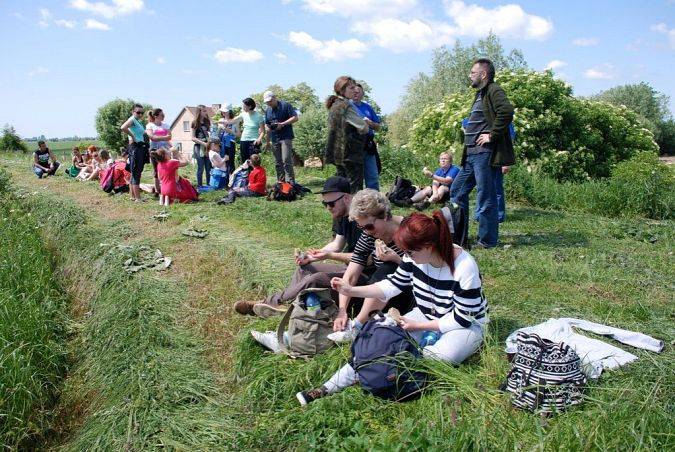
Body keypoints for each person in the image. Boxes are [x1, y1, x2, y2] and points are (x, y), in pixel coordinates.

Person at [296, 210, 488, 405]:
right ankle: (327, 387)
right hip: (426, 314)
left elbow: (463, 318)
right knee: (381, 338)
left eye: (410, 252)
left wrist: (418, 327)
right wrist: (352, 289)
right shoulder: (414, 256)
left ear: (429, 246)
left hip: (465, 326)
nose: (407, 257)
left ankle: (382, 376)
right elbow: (391, 285)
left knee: (435, 358)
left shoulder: (464, 267)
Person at [234, 176, 365, 318]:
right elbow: (337, 244)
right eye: (324, 204)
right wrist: (310, 257)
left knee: (315, 279)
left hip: (364, 277)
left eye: (331, 204)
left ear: (346, 198)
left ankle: (272, 303)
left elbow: (366, 259)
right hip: (350, 268)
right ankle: (285, 304)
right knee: (304, 268)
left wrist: (329, 256)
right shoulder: (343, 215)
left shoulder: (363, 220)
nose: (328, 208)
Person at [331, 189, 414, 341]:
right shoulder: (370, 234)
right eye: (361, 227)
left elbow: (423, 272)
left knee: (388, 268)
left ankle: (357, 326)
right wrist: (342, 310)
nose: (367, 232)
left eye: (369, 226)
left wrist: (397, 259)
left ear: (385, 215)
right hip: (381, 295)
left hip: (409, 292)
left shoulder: (409, 230)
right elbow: (352, 273)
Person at [450, 58, 514, 248]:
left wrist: (492, 135)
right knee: (457, 191)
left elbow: (506, 111)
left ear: (483, 74)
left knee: (486, 196)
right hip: (471, 155)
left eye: (472, 72)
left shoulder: (494, 89)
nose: (470, 75)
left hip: (484, 154)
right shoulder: (480, 93)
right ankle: (459, 238)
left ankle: (487, 241)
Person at [263, 91, 298, 184]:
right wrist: (267, 128)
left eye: (270, 101)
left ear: (275, 98)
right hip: (274, 138)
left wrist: (282, 124)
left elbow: (295, 117)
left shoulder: (285, 105)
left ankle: (291, 182)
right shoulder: (268, 110)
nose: (268, 103)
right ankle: (281, 182)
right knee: (278, 162)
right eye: (267, 102)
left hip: (286, 136)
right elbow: (266, 123)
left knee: (286, 159)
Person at [351, 83, 382, 191]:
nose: (356, 94)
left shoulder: (367, 107)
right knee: (355, 177)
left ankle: (375, 202)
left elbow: (378, 126)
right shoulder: (346, 107)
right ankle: (354, 202)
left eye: (358, 92)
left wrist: (369, 123)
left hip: (368, 145)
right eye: (353, 92)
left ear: (362, 94)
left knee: (372, 176)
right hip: (353, 145)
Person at [220, 98, 265, 164]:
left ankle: (254, 174)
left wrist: (259, 139)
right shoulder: (243, 114)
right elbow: (231, 121)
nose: (243, 107)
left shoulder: (259, 116)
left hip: (254, 141)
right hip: (244, 140)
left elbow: (263, 131)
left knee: (254, 162)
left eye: (244, 106)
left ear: (250, 106)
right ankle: (246, 174)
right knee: (245, 161)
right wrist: (220, 122)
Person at [120, 103, 149, 202]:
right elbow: (123, 127)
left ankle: (132, 196)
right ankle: (138, 198)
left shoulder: (137, 121)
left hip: (138, 147)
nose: (140, 114)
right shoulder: (132, 119)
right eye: (138, 112)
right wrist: (132, 136)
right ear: (133, 112)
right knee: (136, 172)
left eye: (142, 113)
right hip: (136, 148)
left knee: (134, 172)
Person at [146, 108, 173, 203]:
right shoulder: (150, 125)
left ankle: (166, 188)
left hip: (165, 151)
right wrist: (164, 137)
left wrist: (160, 138)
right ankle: (157, 190)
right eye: (161, 115)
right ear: (156, 116)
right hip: (154, 150)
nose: (163, 116)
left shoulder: (166, 125)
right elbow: (152, 137)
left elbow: (169, 137)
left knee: (166, 170)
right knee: (156, 170)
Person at [191, 104, 212, 188]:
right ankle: (200, 186)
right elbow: (192, 138)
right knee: (200, 168)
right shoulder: (194, 122)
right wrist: (203, 143)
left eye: (205, 110)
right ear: (199, 112)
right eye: (204, 111)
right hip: (199, 147)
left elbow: (210, 133)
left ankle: (209, 185)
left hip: (208, 146)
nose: (205, 112)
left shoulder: (207, 121)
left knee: (208, 167)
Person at [217, 106, 238, 174]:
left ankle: (231, 180)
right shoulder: (220, 120)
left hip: (231, 142)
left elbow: (237, 134)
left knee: (231, 161)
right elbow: (218, 133)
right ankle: (224, 180)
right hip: (222, 143)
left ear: (230, 111)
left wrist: (229, 130)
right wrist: (220, 128)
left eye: (225, 111)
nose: (223, 112)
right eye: (222, 111)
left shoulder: (234, 121)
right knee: (223, 160)